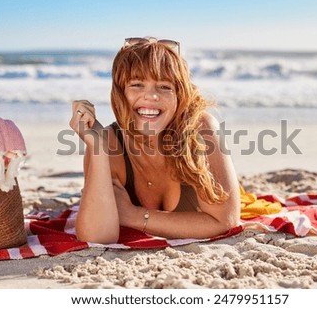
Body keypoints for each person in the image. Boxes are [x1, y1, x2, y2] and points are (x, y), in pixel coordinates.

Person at [69, 37, 241, 244]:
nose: (151, 96)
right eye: (137, 84)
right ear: (120, 93)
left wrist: (133, 215)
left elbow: (225, 222)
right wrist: (96, 148)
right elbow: (96, 237)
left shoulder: (201, 130)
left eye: (164, 86)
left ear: (179, 94)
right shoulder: (107, 143)